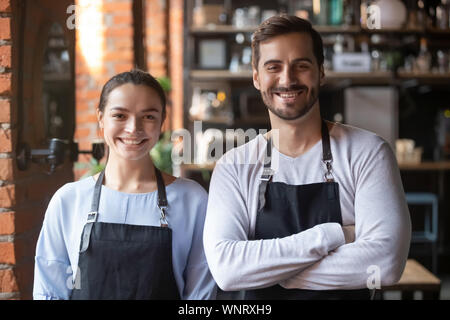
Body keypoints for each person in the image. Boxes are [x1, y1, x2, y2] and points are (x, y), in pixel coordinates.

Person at [203, 15, 411, 300]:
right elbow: (227, 270)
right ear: (256, 77)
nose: (287, 79)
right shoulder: (234, 167)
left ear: (321, 73)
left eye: (301, 66)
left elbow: (383, 266)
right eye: (273, 67)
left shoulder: (368, 153)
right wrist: (334, 235)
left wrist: (274, 272)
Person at [33, 70, 216, 300]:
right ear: (100, 118)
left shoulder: (192, 200)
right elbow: (49, 291)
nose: (133, 128)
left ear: (162, 121)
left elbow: (201, 297)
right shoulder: (68, 200)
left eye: (148, 116)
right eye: (120, 115)